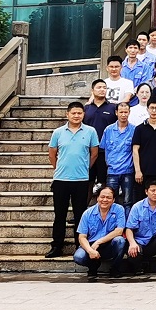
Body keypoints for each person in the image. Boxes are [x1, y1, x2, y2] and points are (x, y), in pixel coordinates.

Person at [46, 102, 99, 258]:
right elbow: (52, 154)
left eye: (79, 113)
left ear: (83, 114)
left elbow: (94, 154)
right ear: (67, 114)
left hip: (81, 180)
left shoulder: (90, 131)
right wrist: (60, 168)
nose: (76, 116)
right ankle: (57, 246)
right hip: (61, 180)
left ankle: (80, 245)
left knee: (80, 215)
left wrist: (84, 168)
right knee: (59, 214)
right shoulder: (58, 132)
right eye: (73, 113)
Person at [72, 185, 127, 278]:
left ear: (113, 200)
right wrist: (90, 250)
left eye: (108, 197)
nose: (105, 200)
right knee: (79, 257)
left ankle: (115, 268)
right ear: (97, 198)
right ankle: (93, 266)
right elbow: (82, 237)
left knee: (120, 241)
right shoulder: (87, 213)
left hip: (109, 244)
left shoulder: (119, 209)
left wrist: (99, 241)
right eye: (102, 197)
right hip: (92, 245)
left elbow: (119, 231)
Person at [125, 179, 156, 275]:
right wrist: (132, 243)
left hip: (154, 241)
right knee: (133, 255)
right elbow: (129, 228)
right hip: (139, 241)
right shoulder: (137, 207)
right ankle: (139, 267)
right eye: (153, 190)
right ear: (146, 192)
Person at [100, 102, 136, 208]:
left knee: (128, 202)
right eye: (121, 112)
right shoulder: (108, 130)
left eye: (126, 112)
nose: (123, 114)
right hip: (112, 171)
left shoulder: (134, 130)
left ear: (129, 112)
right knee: (110, 201)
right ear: (116, 113)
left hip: (128, 171)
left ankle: (126, 220)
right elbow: (103, 148)